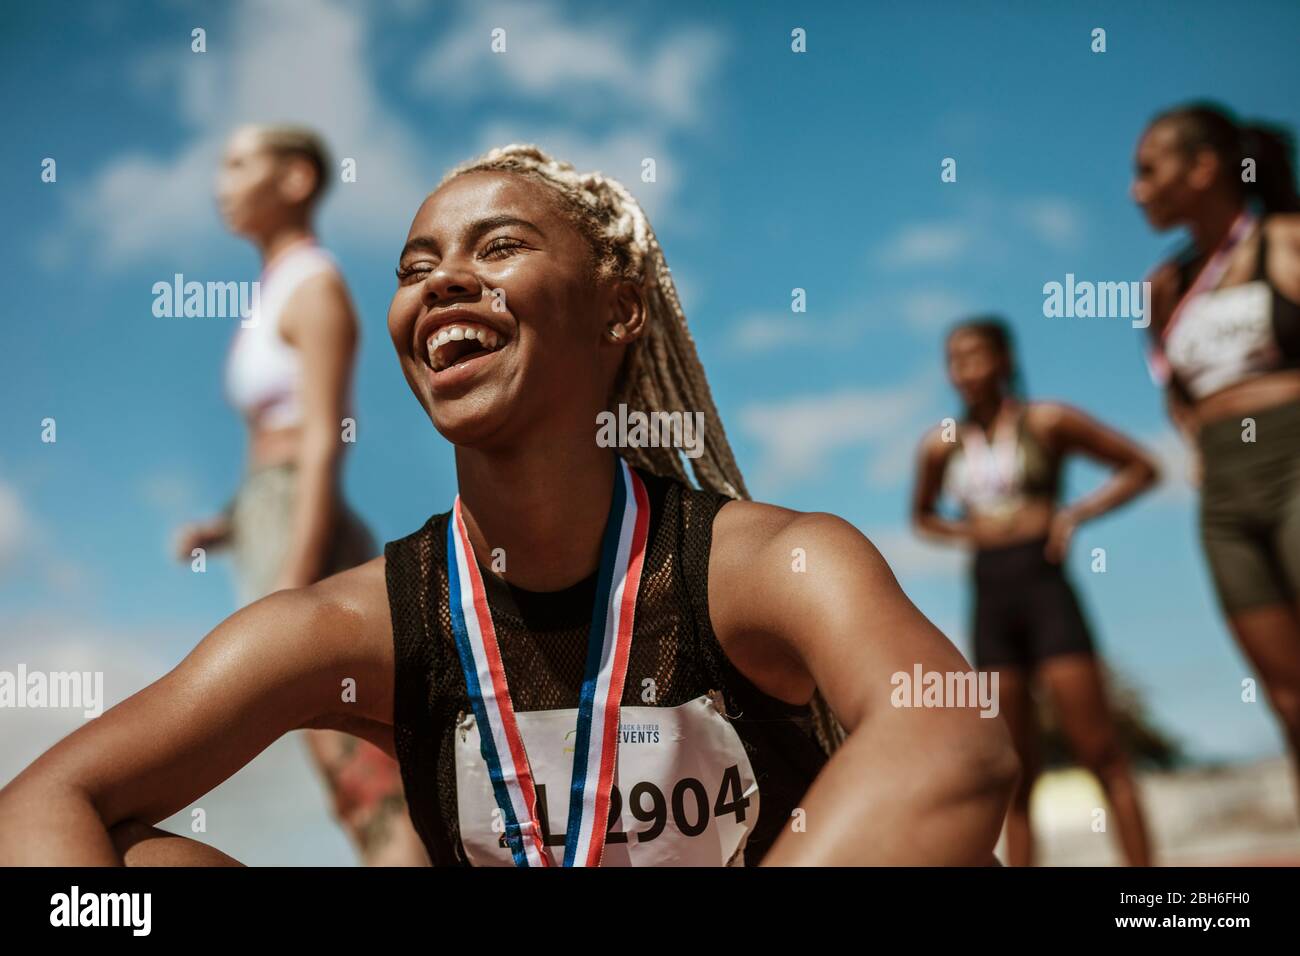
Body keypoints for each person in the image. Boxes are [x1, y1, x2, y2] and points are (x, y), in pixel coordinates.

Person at [0, 145, 1016, 867]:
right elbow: (47, 798)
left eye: (496, 247)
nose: (442, 280)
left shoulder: (766, 563)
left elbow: (955, 737)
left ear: (619, 307)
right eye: (415, 266)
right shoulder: (353, 622)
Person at [172, 124, 425, 866]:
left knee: (355, 752)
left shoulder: (315, 284)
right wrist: (226, 527)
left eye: (240, 161)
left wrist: (295, 578)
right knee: (331, 747)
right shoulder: (275, 289)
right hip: (268, 512)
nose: (222, 180)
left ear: (296, 179)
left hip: (296, 518)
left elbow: (322, 436)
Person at [911, 317, 1158, 866]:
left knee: (1101, 752)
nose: (965, 370)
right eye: (954, 359)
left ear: (1004, 360)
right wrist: (969, 531)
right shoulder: (941, 444)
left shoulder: (1047, 421)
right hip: (990, 593)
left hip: (1046, 589)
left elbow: (1142, 467)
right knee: (1015, 769)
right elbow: (922, 516)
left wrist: (1074, 515)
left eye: (975, 355)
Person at [1134, 102, 1300, 813]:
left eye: (1148, 170)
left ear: (1204, 167)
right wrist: (1196, 444)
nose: (1136, 190)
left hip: (1295, 460)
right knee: (1285, 695)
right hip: (1226, 497)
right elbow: (1174, 388)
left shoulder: (1285, 242)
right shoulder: (1163, 286)